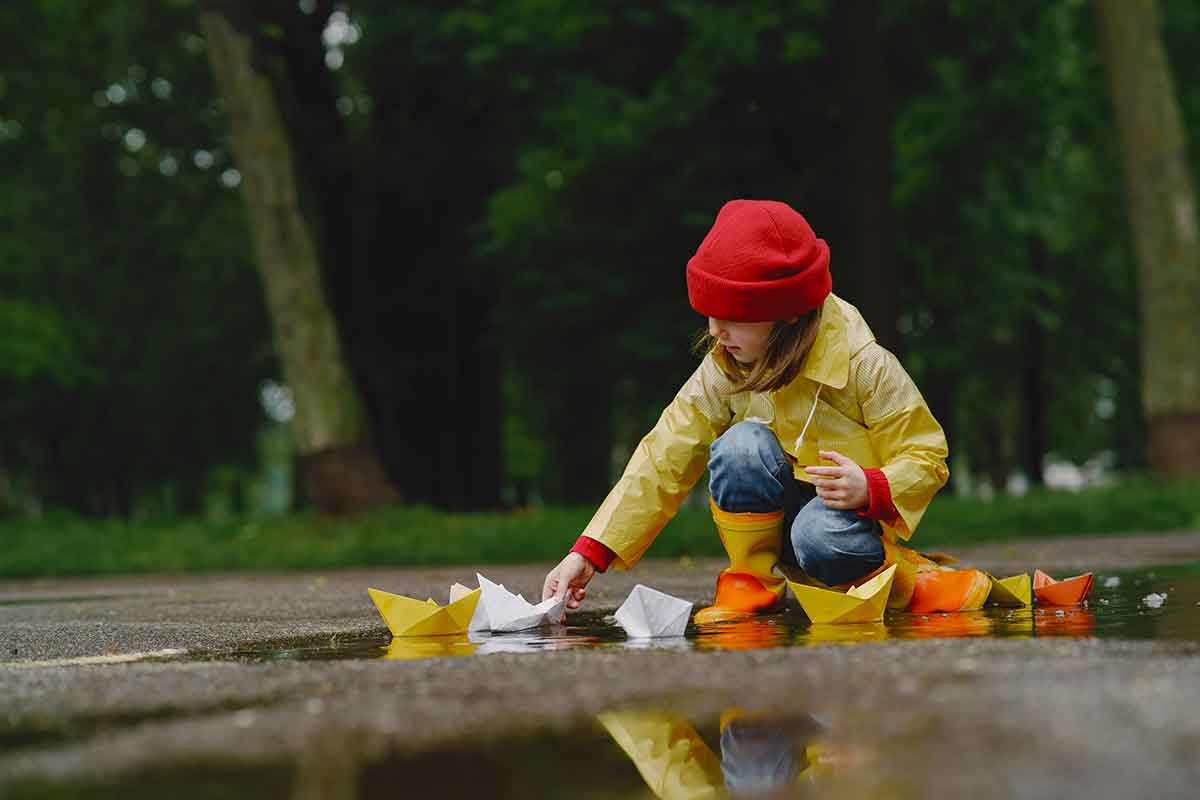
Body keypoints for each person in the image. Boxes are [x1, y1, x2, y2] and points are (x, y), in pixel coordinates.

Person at [542, 199, 989, 622]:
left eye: (733, 316)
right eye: (709, 314)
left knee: (817, 535)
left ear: (788, 314)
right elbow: (666, 454)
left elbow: (926, 456)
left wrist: (871, 486)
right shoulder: (725, 364)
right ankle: (749, 587)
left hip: (841, 529)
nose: (716, 331)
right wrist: (589, 552)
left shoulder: (865, 365)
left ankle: (903, 581)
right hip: (773, 519)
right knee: (739, 447)